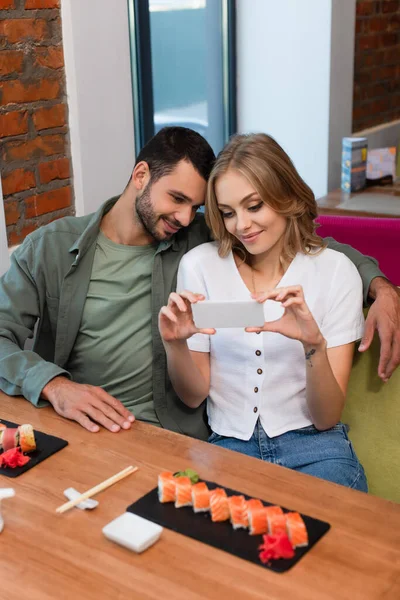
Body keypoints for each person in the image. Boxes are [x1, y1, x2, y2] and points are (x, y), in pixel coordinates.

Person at [0, 128, 399, 438]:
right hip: (85, 427)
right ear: (141, 175)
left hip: (173, 434)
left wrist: (379, 285)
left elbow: (304, 243)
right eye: (176, 198)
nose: (185, 217)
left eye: (197, 207)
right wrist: (53, 385)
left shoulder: (197, 236)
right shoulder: (50, 249)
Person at [158, 133, 374, 489]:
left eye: (254, 206)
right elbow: (194, 394)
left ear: (286, 196)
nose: (241, 225)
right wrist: (175, 345)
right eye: (228, 213)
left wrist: (313, 346)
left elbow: (326, 417)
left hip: (317, 449)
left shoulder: (336, 272)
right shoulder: (200, 267)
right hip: (229, 449)